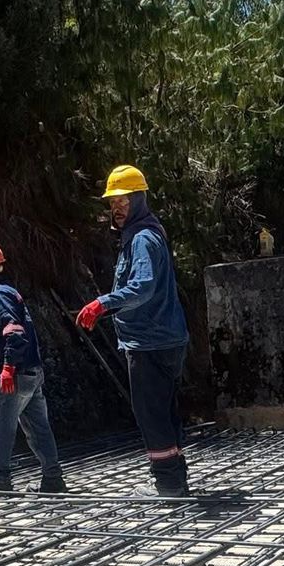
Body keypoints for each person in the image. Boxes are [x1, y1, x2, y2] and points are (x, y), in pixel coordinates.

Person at [75, 165, 191, 497]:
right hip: (165, 338)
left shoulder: (142, 238)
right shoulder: (149, 233)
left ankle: (167, 484)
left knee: (152, 415)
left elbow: (142, 287)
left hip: (148, 341)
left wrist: (102, 303)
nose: (117, 207)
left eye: (124, 200)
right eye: (113, 201)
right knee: (164, 412)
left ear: (139, 199)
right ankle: (176, 479)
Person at [0, 240, 67, 493]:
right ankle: (53, 479)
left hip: (15, 374)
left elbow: (14, 332)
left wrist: (7, 368)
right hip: (30, 372)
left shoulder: (0, 295)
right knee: (38, 428)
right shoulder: (8, 292)